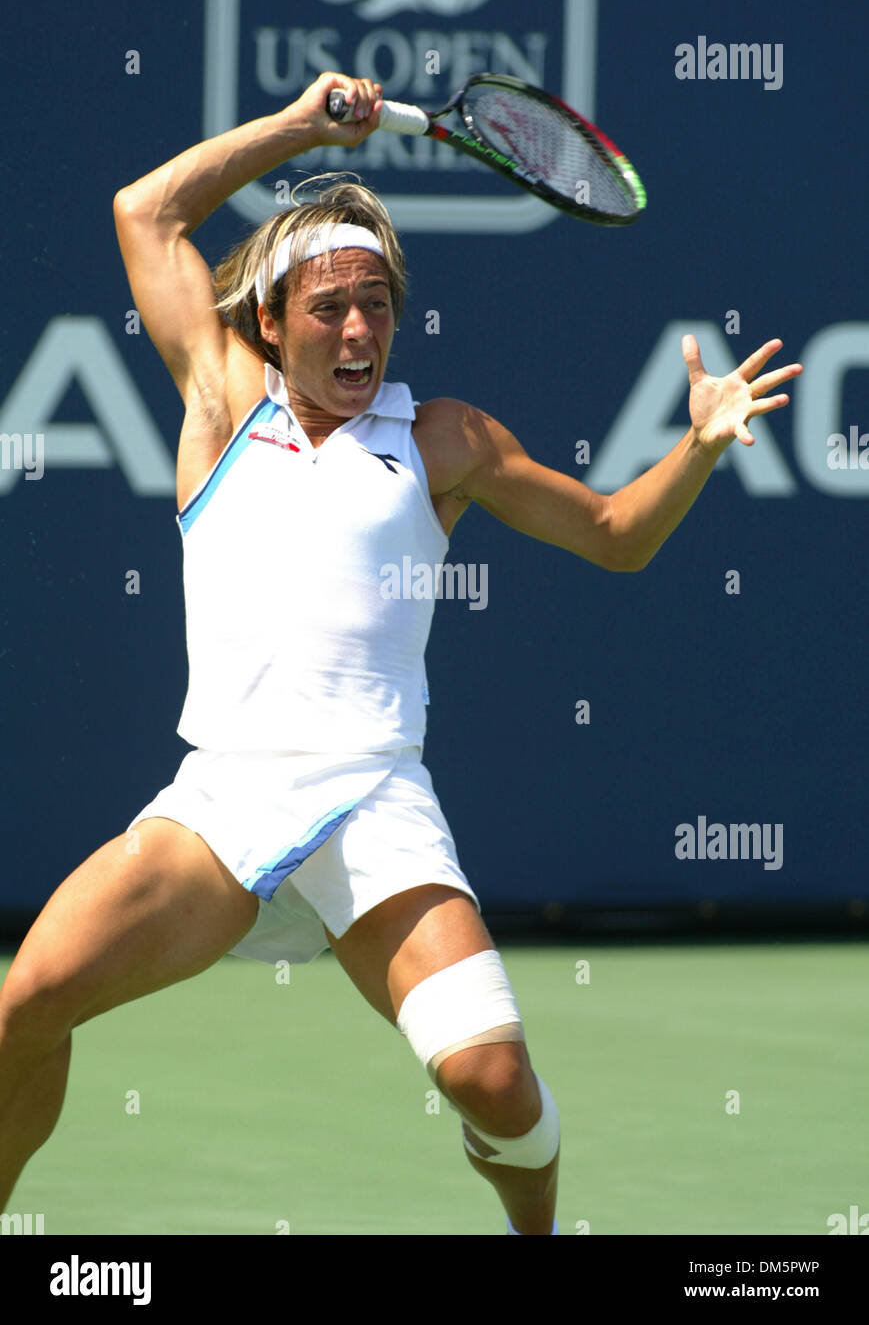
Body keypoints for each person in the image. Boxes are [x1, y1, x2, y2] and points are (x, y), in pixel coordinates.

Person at [0, 73, 801, 1236]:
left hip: (376, 799)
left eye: (376, 303)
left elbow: (617, 538)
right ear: (268, 321)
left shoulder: (444, 440)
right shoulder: (224, 403)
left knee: (491, 1082)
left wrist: (699, 447)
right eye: (328, 307)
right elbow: (145, 213)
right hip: (222, 800)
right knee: (27, 999)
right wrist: (298, 126)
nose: (359, 328)